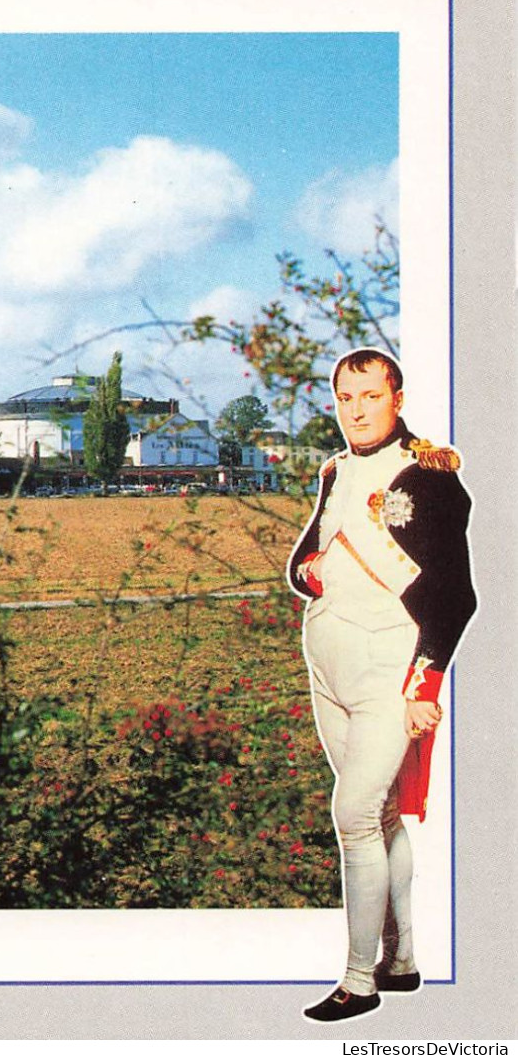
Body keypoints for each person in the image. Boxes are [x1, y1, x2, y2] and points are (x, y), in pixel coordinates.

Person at [288, 347, 476, 1022]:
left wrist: (424, 684)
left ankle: (357, 978)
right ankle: (402, 961)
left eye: (369, 395)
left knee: (353, 817)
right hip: (327, 668)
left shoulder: (427, 476)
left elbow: (454, 596)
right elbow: (302, 559)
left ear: (395, 396)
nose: (355, 409)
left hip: (386, 673)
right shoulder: (335, 470)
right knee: (380, 815)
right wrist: (313, 574)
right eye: (344, 397)